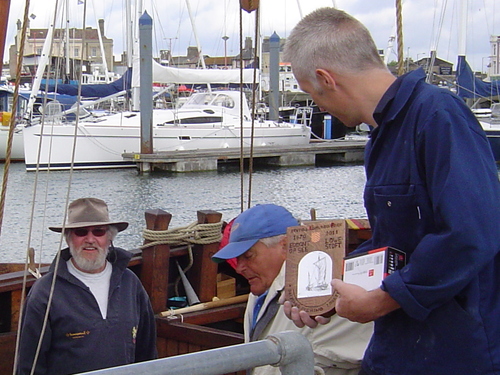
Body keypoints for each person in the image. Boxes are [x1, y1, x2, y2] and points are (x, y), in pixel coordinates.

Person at [282, 7, 500, 375]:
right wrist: (324, 288)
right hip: (402, 347)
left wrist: (383, 300)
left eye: (312, 94)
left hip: (455, 352)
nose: (319, 107)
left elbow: (472, 233)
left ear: (326, 78)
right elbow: (397, 241)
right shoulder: (382, 136)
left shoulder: (438, 117)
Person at [212, 204, 372, 375]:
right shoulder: (260, 291)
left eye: (248, 256)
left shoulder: (327, 291)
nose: (239, 268)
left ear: (287, 246)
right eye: (237, 258)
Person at [17, 197, 157, 375]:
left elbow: (147, 353)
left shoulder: (130, 283)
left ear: (109, 238)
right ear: (69, 239)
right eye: (81, 232)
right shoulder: (44, 293)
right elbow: (29, 366)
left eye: (98, 232)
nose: (90, 239)